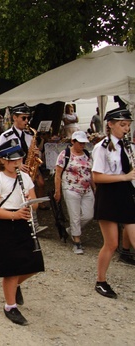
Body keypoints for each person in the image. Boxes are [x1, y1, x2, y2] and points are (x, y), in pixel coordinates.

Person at [0, 138, 45, 326]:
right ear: (3, 160)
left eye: (18, 160)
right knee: (10, 269)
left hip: (24, 221)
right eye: (11, 160)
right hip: (6, 223)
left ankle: (15, 286)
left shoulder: (25, 177)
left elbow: (35, 205)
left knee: (35, 264)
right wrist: (14, 215)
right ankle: (10, 306)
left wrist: (30, 201)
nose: (16, 163)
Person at [91, 108, 135, 299]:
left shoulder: (129, 146)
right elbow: (97, 177)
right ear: (110, 124)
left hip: (127, 193)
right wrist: (123, 177)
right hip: (109, 195)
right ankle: (101, 281)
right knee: (111, 243)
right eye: (122, 125)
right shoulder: (101, 147)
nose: (126, 129)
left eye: (128, 125)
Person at [0, 104, 49, 228]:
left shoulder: (30, 135)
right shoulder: (6, 136)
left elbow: (35, 154)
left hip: (28, 170)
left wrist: (37, 153)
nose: (26, 121)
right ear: (14, 117)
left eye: (28, 118)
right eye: (23, 118)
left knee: (30, 196)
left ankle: (33, 223)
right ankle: (20, 221)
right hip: (13, 172)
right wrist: (16, 166)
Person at [54, 131, 94, 254]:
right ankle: (77, 241)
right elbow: (58, 174)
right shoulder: (64, 154)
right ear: (73, 142)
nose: (82, 145)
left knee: (89, 214)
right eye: (80, 143)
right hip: (71, 188)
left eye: (84, 143)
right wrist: (58, 191)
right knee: (75, 215)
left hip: (86, 188)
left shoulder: (87, 154)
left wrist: (95, 188)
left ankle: (72, 230)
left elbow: (91, 173)